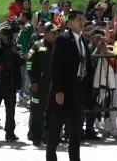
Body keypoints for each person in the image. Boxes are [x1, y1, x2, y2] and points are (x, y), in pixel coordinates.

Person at [46, 9, 92, 161]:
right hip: (63, 92)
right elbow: (55, 66)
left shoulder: (83, 40)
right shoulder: (63, 39)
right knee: (55, 130)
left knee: (75, 132)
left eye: (83, 19)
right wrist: (58, 90)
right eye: (79, 19)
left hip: (77, 93)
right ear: (70, 22)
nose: (82, 22)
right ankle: (51, 157)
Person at [26, 23, 56, 145]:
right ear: (46, 32)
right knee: (37, 112)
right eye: (52, 33)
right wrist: (33, 81)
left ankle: (48, 136)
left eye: (56, 33)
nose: (54, 35)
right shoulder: (37, 45)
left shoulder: (57, 46)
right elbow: (29, 64)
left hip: (52, 85)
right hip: (39, 85)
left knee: (51, 112)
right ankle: (35, 136)